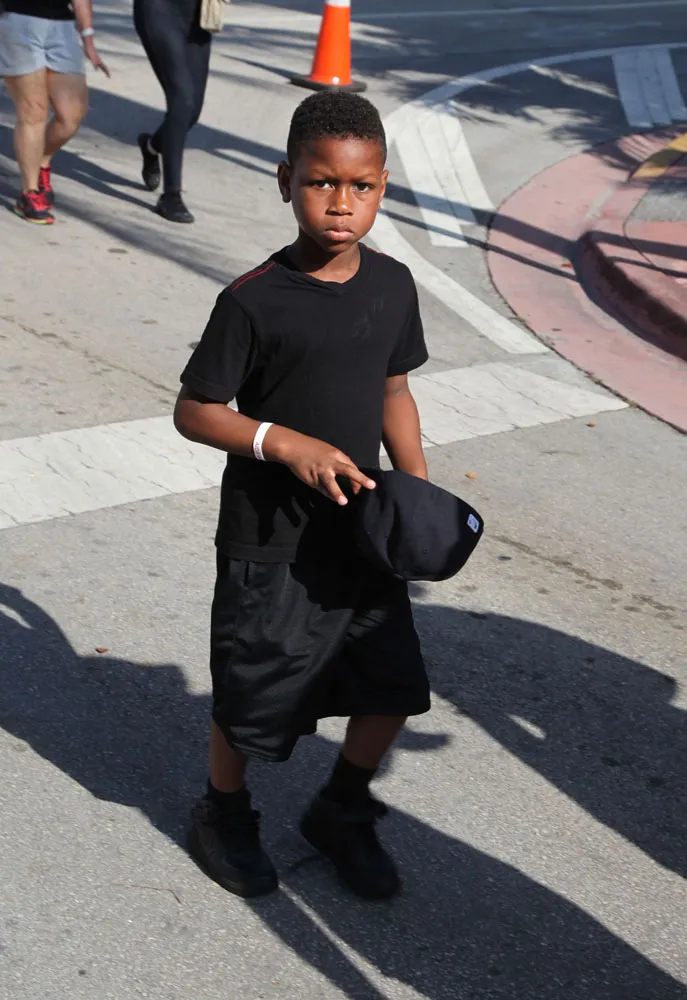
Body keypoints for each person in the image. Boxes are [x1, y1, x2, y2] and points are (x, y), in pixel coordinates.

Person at [174, 90, 431, 900]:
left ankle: (341, 809)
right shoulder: (253, 299)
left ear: (382, 187)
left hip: (363, 531)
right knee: (253, 694)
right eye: (322, 183)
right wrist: (284, 443)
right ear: (286, 180)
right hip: (271, 538)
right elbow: (195, 410)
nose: (341, 204)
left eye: (361, 187)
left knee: (390, 686)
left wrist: (416, 490)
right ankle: (223, 811)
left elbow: (393, 389)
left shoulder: (392, 285)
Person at [0, 0, 109, 224]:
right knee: (34, 111)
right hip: (17, 20)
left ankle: (41, 161)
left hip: (62, 27)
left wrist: (88, 40)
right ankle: (29, 193)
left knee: (72, 115)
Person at [133, 0, 212, 224]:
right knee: (182, 100)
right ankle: (171, 195)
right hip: (159, 9)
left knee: (192, 112)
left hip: (199, 15)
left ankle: (151, 146)